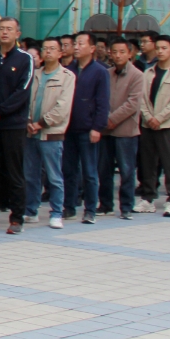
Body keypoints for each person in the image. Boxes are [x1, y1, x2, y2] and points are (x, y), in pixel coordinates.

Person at [0, 17, 33, 228]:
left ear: (17, 34)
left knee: (14, 171)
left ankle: (17, 216)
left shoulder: (25, 59)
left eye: (9, 29)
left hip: (13, 124)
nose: (4, 32)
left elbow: (22, 91)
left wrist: (0, 111)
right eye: (1, 28)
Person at [24, 39, 74, 230]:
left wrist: (41, 123)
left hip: (51, 134)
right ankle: (31, 210)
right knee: (31, 175)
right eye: (45, 49)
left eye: (53, 49)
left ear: (60, 53)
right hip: (31, 133)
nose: (48, 52)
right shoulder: (34, 74)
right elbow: (26, 100)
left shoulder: (67, 77)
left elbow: (62, 107)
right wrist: (29, 121)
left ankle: (56, 213)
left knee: (54, 176)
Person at [62, 31, 110, 223]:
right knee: (68, 170)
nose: (76, 47)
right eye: (75, 43)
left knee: (89, 172)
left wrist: (98, 127)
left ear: (92, 48)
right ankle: (69, 206)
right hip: (68, 128)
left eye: (81, 43)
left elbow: (103, 102)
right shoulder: (68, 70)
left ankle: (90, 209)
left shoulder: (100, 71)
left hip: (88, 128)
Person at [137, 35, 170, 216]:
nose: (161, 51)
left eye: (164, 48)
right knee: (148, 163)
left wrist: (159, 118)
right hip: (148, 124)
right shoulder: (148, 73)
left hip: (168, 125)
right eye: (158, 48)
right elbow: (142, 98)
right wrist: (149, 117)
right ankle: (148, 198)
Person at [100, 38, 143, 219]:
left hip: (126, 130)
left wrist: (112, 119)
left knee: (126, 170)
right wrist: (105, 118)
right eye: (115, 52)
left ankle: (126, 206)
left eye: (122, 52)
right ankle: (105, 204)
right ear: (110, 53)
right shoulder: (106, 74)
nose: (118, 55)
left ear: (130, 54)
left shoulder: (137, 75)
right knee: (104, 169)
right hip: (106, 130)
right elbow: (101, 98)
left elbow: (133, 103)